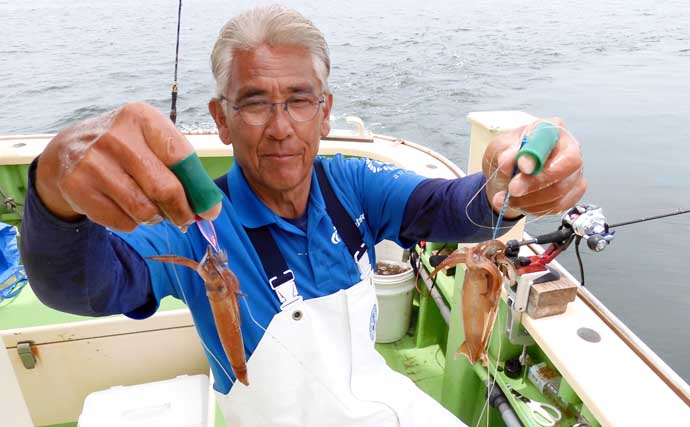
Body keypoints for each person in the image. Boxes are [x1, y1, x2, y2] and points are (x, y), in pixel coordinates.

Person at [20, 5, 585, 426]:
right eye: (254, 102)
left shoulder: (354, 185)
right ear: (221, 119)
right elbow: (87, 288)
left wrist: (505, 190)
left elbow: (447, 209)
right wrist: (53, 192)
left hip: (381, 401)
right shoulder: (194, 225)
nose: (281, 127)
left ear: (325, 111)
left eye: (298, 99)